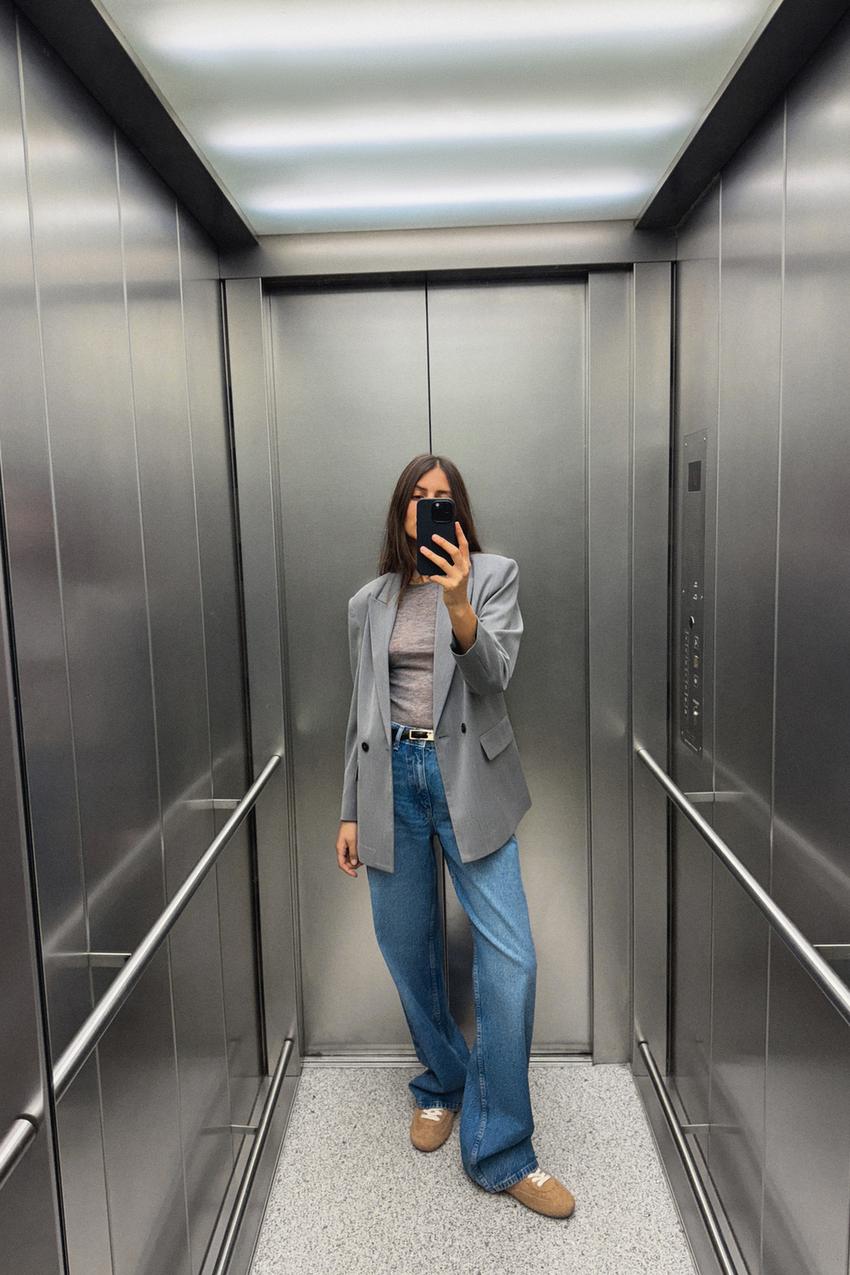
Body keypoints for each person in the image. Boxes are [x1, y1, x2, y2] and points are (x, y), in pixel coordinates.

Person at [336, 454, 575, 1220]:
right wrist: (349, 809)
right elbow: (362, 710)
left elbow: (494, 675)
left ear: (459, 511)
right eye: (419, 496)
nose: (430, 506)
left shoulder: (493, 576)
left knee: (513, 960)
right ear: (401, 511)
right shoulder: (368, 602)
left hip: (469, 779)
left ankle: (503, 1150)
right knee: (407, 949)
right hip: (391, 782)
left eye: (443, 497)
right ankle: (441, 1080)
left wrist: (459, 600)